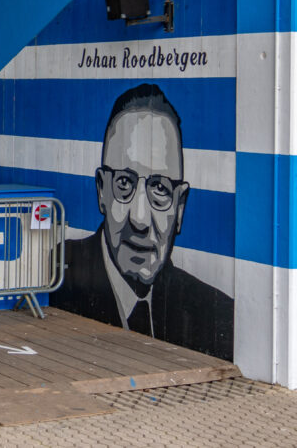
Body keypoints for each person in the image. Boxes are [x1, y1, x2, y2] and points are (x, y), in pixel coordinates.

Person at [50, 83, 233, 360]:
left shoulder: (215, 314)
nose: (139, 218)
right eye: (124, 183)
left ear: (180, 208)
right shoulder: (56, 278)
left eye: (160, 189)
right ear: (101, 191)